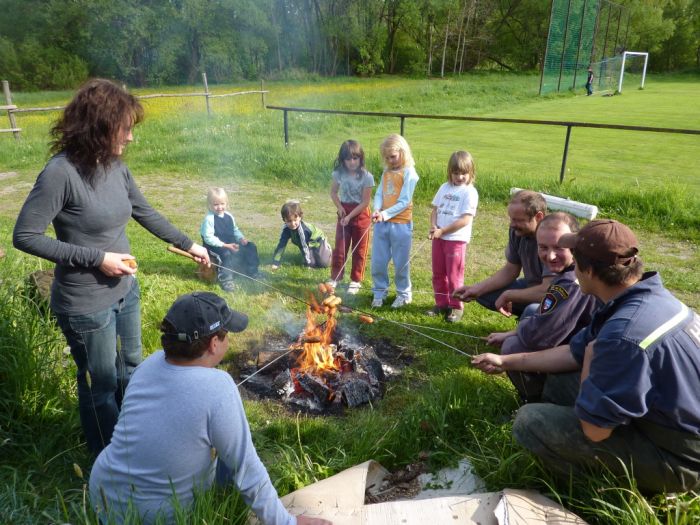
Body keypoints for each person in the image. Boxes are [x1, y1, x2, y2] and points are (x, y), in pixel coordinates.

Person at [12, 78, 209, 455]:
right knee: (99, 385)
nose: (131, 137)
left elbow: (143, 211)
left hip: (125, 290)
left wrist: (190, 244)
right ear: (99, 126)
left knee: (132, 370)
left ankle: (132, 439)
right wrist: (98, 259)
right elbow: (25, 236)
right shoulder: (61, 173)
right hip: (86, 304)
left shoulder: (115, 166)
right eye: (126, 128)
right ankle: (107, 458)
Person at [472, 220, 700, 494]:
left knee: (530, 423)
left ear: (589, 270)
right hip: (669, 416)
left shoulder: (622, 336)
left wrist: (591, 363)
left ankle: (600, 494)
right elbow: (572, 351)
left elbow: (595, 431)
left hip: (679, 457)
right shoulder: (645, 298)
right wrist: (506, 361)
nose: (573, 271)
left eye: (575, 263)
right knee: (556, 382)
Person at [89, 292, 331, 525]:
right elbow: (246, 468)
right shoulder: (219, 387)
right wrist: (287, 522)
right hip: (158, 517)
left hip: (105, 496)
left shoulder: (149, 364)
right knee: (233, 448)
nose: (228, 339)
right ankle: (223, 501)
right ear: (214, 343)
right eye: (226, 334)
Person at [484, 212, 598, 402]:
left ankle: (537, 399)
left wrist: (513, 336)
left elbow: (539, 338)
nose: (550, 255)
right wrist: (514, 331)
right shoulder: (576, 269)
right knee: (531, 311)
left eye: (559, 247)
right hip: (585, 340)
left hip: (590, 362)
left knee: (513, 347)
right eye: (543, 247)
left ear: (574, 246)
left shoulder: (569, 284)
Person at [453, 190, 550, 317]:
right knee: (484, 293)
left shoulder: (553, 240)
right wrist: (477, 289)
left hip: (556, 296)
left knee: (533, 310)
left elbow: (549, 291)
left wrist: (509, 295)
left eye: (518, 220)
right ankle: (530, 317)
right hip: (532, 286)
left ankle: (532, 318)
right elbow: (510, 270)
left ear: (538, 217)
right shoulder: (517, 232)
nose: (512, 225)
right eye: (511, 219)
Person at [427, 151, 478, 323]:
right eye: (456, 173)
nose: (459, 177)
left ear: (471, 173)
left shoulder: (470, 192)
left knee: (454, 275)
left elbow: (465, 220)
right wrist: (434, 226)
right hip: (439, 238)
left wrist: (444, 231)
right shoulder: (444, 187)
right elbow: (435, 210)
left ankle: (456, 306)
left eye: (464, 173)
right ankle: (441, 303)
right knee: (438, 273)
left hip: (455, 240)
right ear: (450, 172)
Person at [371, 134, 419, 309]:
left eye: (393, 156)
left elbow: (404, 201)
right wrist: (377, 209)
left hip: (401, 224)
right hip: (382, 223)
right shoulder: (386, 172)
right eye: (386, 158)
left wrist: (385, 214)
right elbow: (379, 194)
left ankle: (404, 294)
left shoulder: (409, 173)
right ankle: (379, 291)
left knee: (400, 262)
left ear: (403, 153)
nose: (390, 161)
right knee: (378, 260)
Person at [328, 140, 374, 295]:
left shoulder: (367, 177)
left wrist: (350, 216)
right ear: (342, 160)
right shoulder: (338, 174)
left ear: (361, 158)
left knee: (359, 250)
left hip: (361, 214)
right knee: (340, 248)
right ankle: (335, 277)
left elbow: (365, 201)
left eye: (355, 158)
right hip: (344, 211)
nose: (352, 162)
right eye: (348, 159)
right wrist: (340, 208)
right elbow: (333, 193)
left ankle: (355, 280)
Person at [200, 187, 260, 291]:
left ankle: (252, 272)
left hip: (230, 243)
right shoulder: (209, 219)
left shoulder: (229, 216)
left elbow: (235, 230)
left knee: (251, 247)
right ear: (209, 205)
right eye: (216, 204)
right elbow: (208, 238)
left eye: (222, 204)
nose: (219, 207)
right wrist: (225, 245)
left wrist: (241, 238)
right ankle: (226, 279)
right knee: (226, 254)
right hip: (214, 247)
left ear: (226, 203)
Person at [272, 200, 331, 270]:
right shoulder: (285, 229)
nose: (293, 224)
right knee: (312, 262)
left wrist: (308, 265)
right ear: (284, 220)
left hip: (318, 241)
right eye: (289, 221)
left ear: (300, 217)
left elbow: (304, 246)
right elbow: (281, 245)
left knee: (323, 264)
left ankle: (327, 250)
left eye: (295, 220)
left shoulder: (303, 230)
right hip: (306, 243)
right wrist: (276, 262)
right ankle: (311, 254)